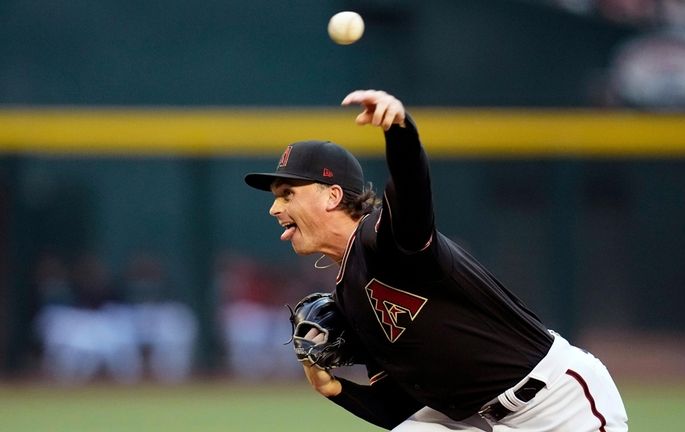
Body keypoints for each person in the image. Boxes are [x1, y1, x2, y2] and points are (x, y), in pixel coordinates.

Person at [244, 90, 628, 431]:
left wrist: (400, 130)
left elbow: (411, 191)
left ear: (332, 196)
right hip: (486, 419)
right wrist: (335, 389)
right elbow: (401, 408)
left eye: (288, 193)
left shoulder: (384, 238)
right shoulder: (350, 296)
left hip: (561, 406)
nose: (275, 208)